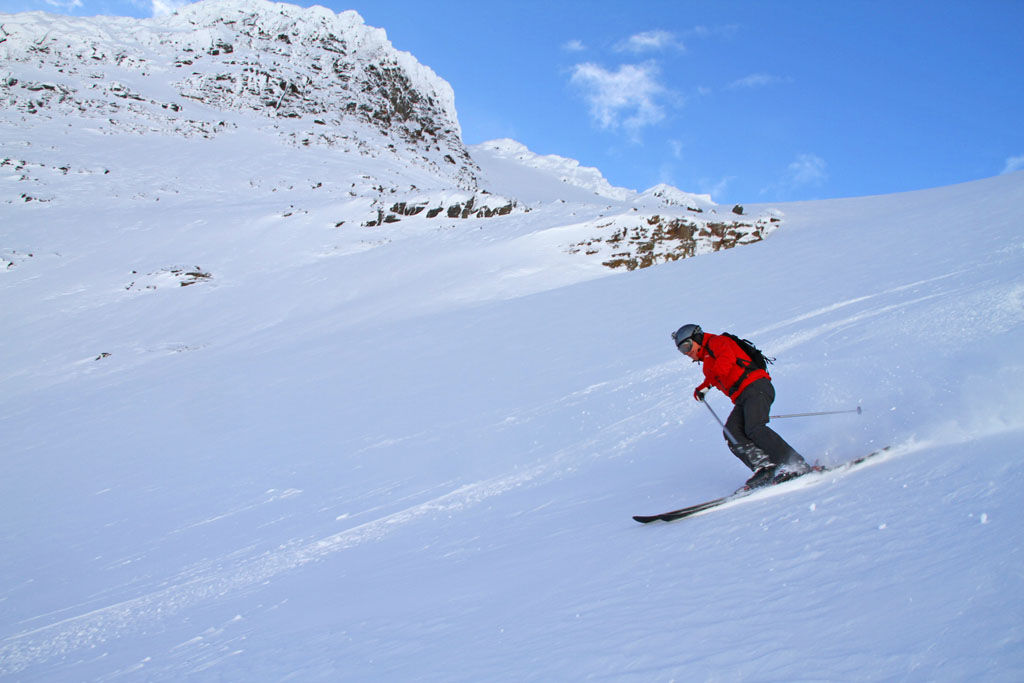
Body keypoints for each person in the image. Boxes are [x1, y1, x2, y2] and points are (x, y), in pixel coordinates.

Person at [672, 323, 810, 489]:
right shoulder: (707, 360)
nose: (687, 353)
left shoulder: (717, 342)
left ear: (697, 338)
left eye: (687, 346)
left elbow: (725, 360)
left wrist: (706, 386)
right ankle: (764, 467)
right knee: (732, 432)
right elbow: (715, 373)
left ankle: (795, 464)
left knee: (755, 428)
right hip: (743, 397)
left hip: (755, 387)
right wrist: (703, 386)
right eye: (682, 350)